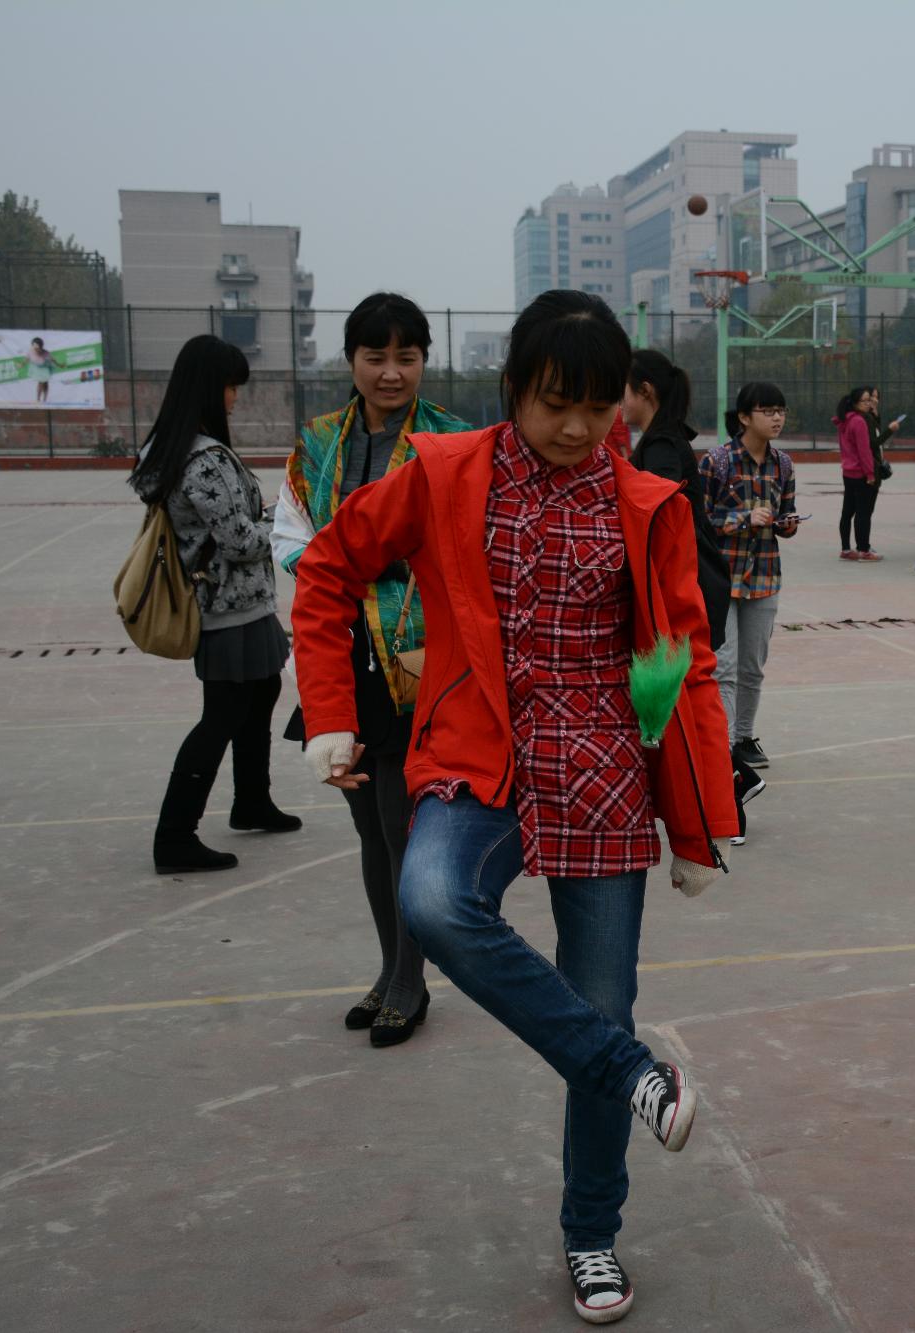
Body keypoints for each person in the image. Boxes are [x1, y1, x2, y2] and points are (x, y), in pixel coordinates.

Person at [291, 290, 737, 1325]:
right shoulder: (444, 472)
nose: (576, 428)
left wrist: (697, 823)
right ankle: (633, 1073)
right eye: (552, 403)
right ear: (512, 390)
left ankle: (592, 1235)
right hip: (478, 757)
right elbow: (327, 568)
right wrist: (329, 712)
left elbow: (684, 663)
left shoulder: (648, 503)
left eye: (597, 406)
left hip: (603, 772)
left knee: (600, 1001)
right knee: (432, 900)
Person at [273, 292, 469, 1044]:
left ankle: (411, 984)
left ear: (424, 361)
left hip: (416, 657)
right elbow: (290, 536)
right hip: (342, 653)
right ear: (350, 360)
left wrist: (378, 563)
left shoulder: (450, 439)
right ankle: (389, 969)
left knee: (401, 822)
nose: (391, 372)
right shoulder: (318, 441)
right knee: (367, 827)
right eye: (375, 356)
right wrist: (345, 566)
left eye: (406, 357)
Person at [126, 333, 295, 874]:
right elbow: (240, 542)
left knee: (262, 689)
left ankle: (252, 800)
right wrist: (286, 524)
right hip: (228, 605)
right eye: (229, 387)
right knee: (221, 715)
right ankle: (175, 835)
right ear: (208, 388)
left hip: (236, 602)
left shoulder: (171, 449)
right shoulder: (203, 460)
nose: (234, 398)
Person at [624, 350, 763, 849]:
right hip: (694, 580)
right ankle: (735, 780)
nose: (619, 405)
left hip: (688, 586)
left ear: (645, 392)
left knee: (689, 696)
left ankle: (733, 790)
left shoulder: (662, 446)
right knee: (680, 696)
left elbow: (660, 518)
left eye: (622, 393)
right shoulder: (663, 439)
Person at [704, 381, 800, 772]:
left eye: (781, 411)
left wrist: (787, 523)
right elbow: (699, 521)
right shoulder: (717, 462)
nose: (777, 418)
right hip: (722, 578)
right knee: (723, 666)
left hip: (764, 576)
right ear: (744, 417)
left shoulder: (783, 464)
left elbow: (787, 513)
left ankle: (744, 737)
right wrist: (743, 518)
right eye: (768, 411)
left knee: (752, 666)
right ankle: (724, 744)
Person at [835, 387, 882, 561]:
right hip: (861, 474)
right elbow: (864, 451)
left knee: (847, 511)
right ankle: (863, 550)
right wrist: (870, 474)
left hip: (848, 472)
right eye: (865, 400)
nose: (869, 403)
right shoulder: (859, 421)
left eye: (870, 399)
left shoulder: (844, 420)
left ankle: (846, 549)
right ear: (855, 403)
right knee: (863, 513)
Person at [28, 336, 56, 404]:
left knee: (45, 383)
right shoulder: (31, 352)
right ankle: (38, 399)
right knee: (40, 383)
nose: (36, 348)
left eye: (37, 346)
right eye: (34, 346)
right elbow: (27, 358)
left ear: (41, 346)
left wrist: (58, 364)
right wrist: (21, 364)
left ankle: (45, 399)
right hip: (37, 368)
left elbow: (52, 359)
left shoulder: (45, 352)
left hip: (45, 368)